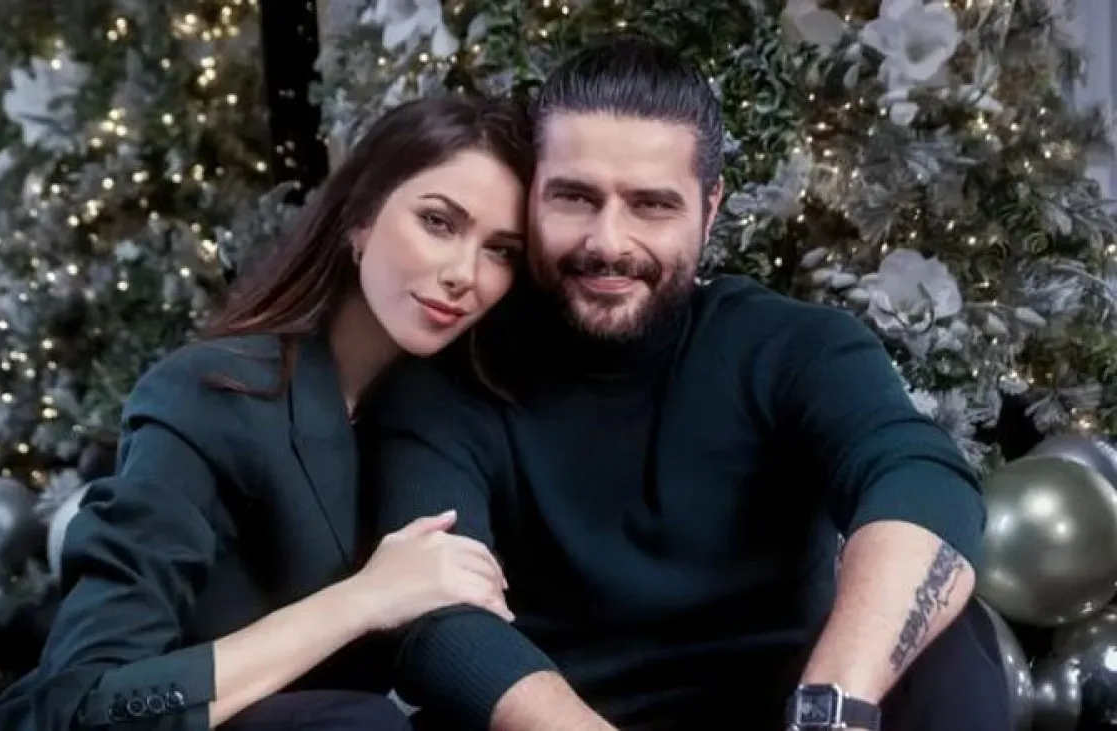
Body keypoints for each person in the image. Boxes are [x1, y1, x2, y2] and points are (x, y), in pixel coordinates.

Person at [359, 38, 1010, 731]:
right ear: (532, 196)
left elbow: (921, 480)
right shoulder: (449, 379)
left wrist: (832, 705)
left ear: (710, 206)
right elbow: (438, 620)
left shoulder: (793, 346)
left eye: (651, 205)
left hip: (789, 717)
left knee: (951, 639)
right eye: (575, 197)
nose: (608, 241)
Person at [0, 94, 533, 731]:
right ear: (360, 219)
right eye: (438, 222)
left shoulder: (449, 412)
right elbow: (82, 705)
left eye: (501, 251)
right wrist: (364, 599)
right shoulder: (209, 397)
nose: (465, 274)